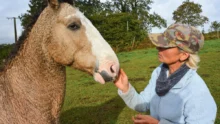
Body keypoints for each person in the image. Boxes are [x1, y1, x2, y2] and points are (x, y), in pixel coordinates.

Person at [114, 23, 217, 124]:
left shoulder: (196, 90)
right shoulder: (159, 72)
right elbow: (144, 103)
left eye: (166, 46)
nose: (158, 48)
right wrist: (126, 89)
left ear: (184, 55)